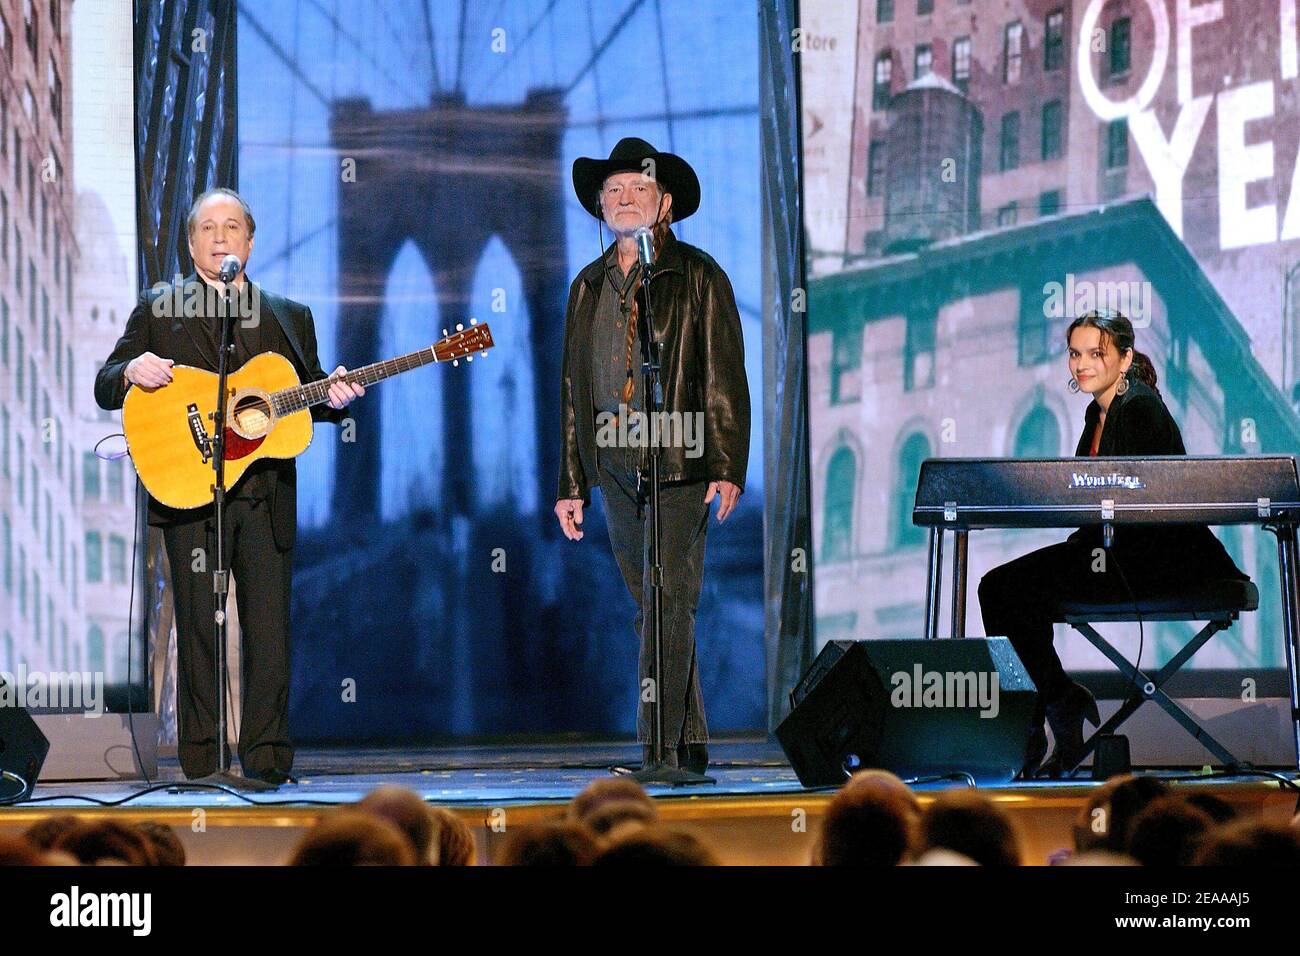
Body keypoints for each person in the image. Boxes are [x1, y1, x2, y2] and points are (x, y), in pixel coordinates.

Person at [94, 188, 365, 784]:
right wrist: (132, 370)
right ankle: (202, 763)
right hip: (191, 493)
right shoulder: (160, 307)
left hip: (266, 495)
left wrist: (336, 397)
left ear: (250, 240)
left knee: (269, 633)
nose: (221, 237)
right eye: (208, 228)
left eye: (233, 226)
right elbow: (106, 382)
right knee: (197, 631)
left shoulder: (289, 315)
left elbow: (308, 398)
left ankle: (266, 763)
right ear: (191, 244)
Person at [979, 310, 1249, 778]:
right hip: (1109, 554)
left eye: (1096, 354)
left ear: (1124, 359)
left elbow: (1139, 502)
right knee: (1000, 589)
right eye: (1075, 354)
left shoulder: (1139, 406)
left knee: (1004, 590)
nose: (1082, 365)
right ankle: (1054, 700)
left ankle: (1052, 704)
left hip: (1151, 560)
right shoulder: (1095, 412)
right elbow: (1088, 500)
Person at [554, 138, 750, 773]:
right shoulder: (585, 287)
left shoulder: (699, 276)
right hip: (613, 466)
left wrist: (726, 465)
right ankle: (688, 744)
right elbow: (572, 390)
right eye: (613, 191)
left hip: (681, 460)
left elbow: (724, 376)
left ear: (665, 204)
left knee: (669, 598)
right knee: (654, 605)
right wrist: (571, 482)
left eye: (638, 188)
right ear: (600, 208)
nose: (625, 198)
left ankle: (658, 749)